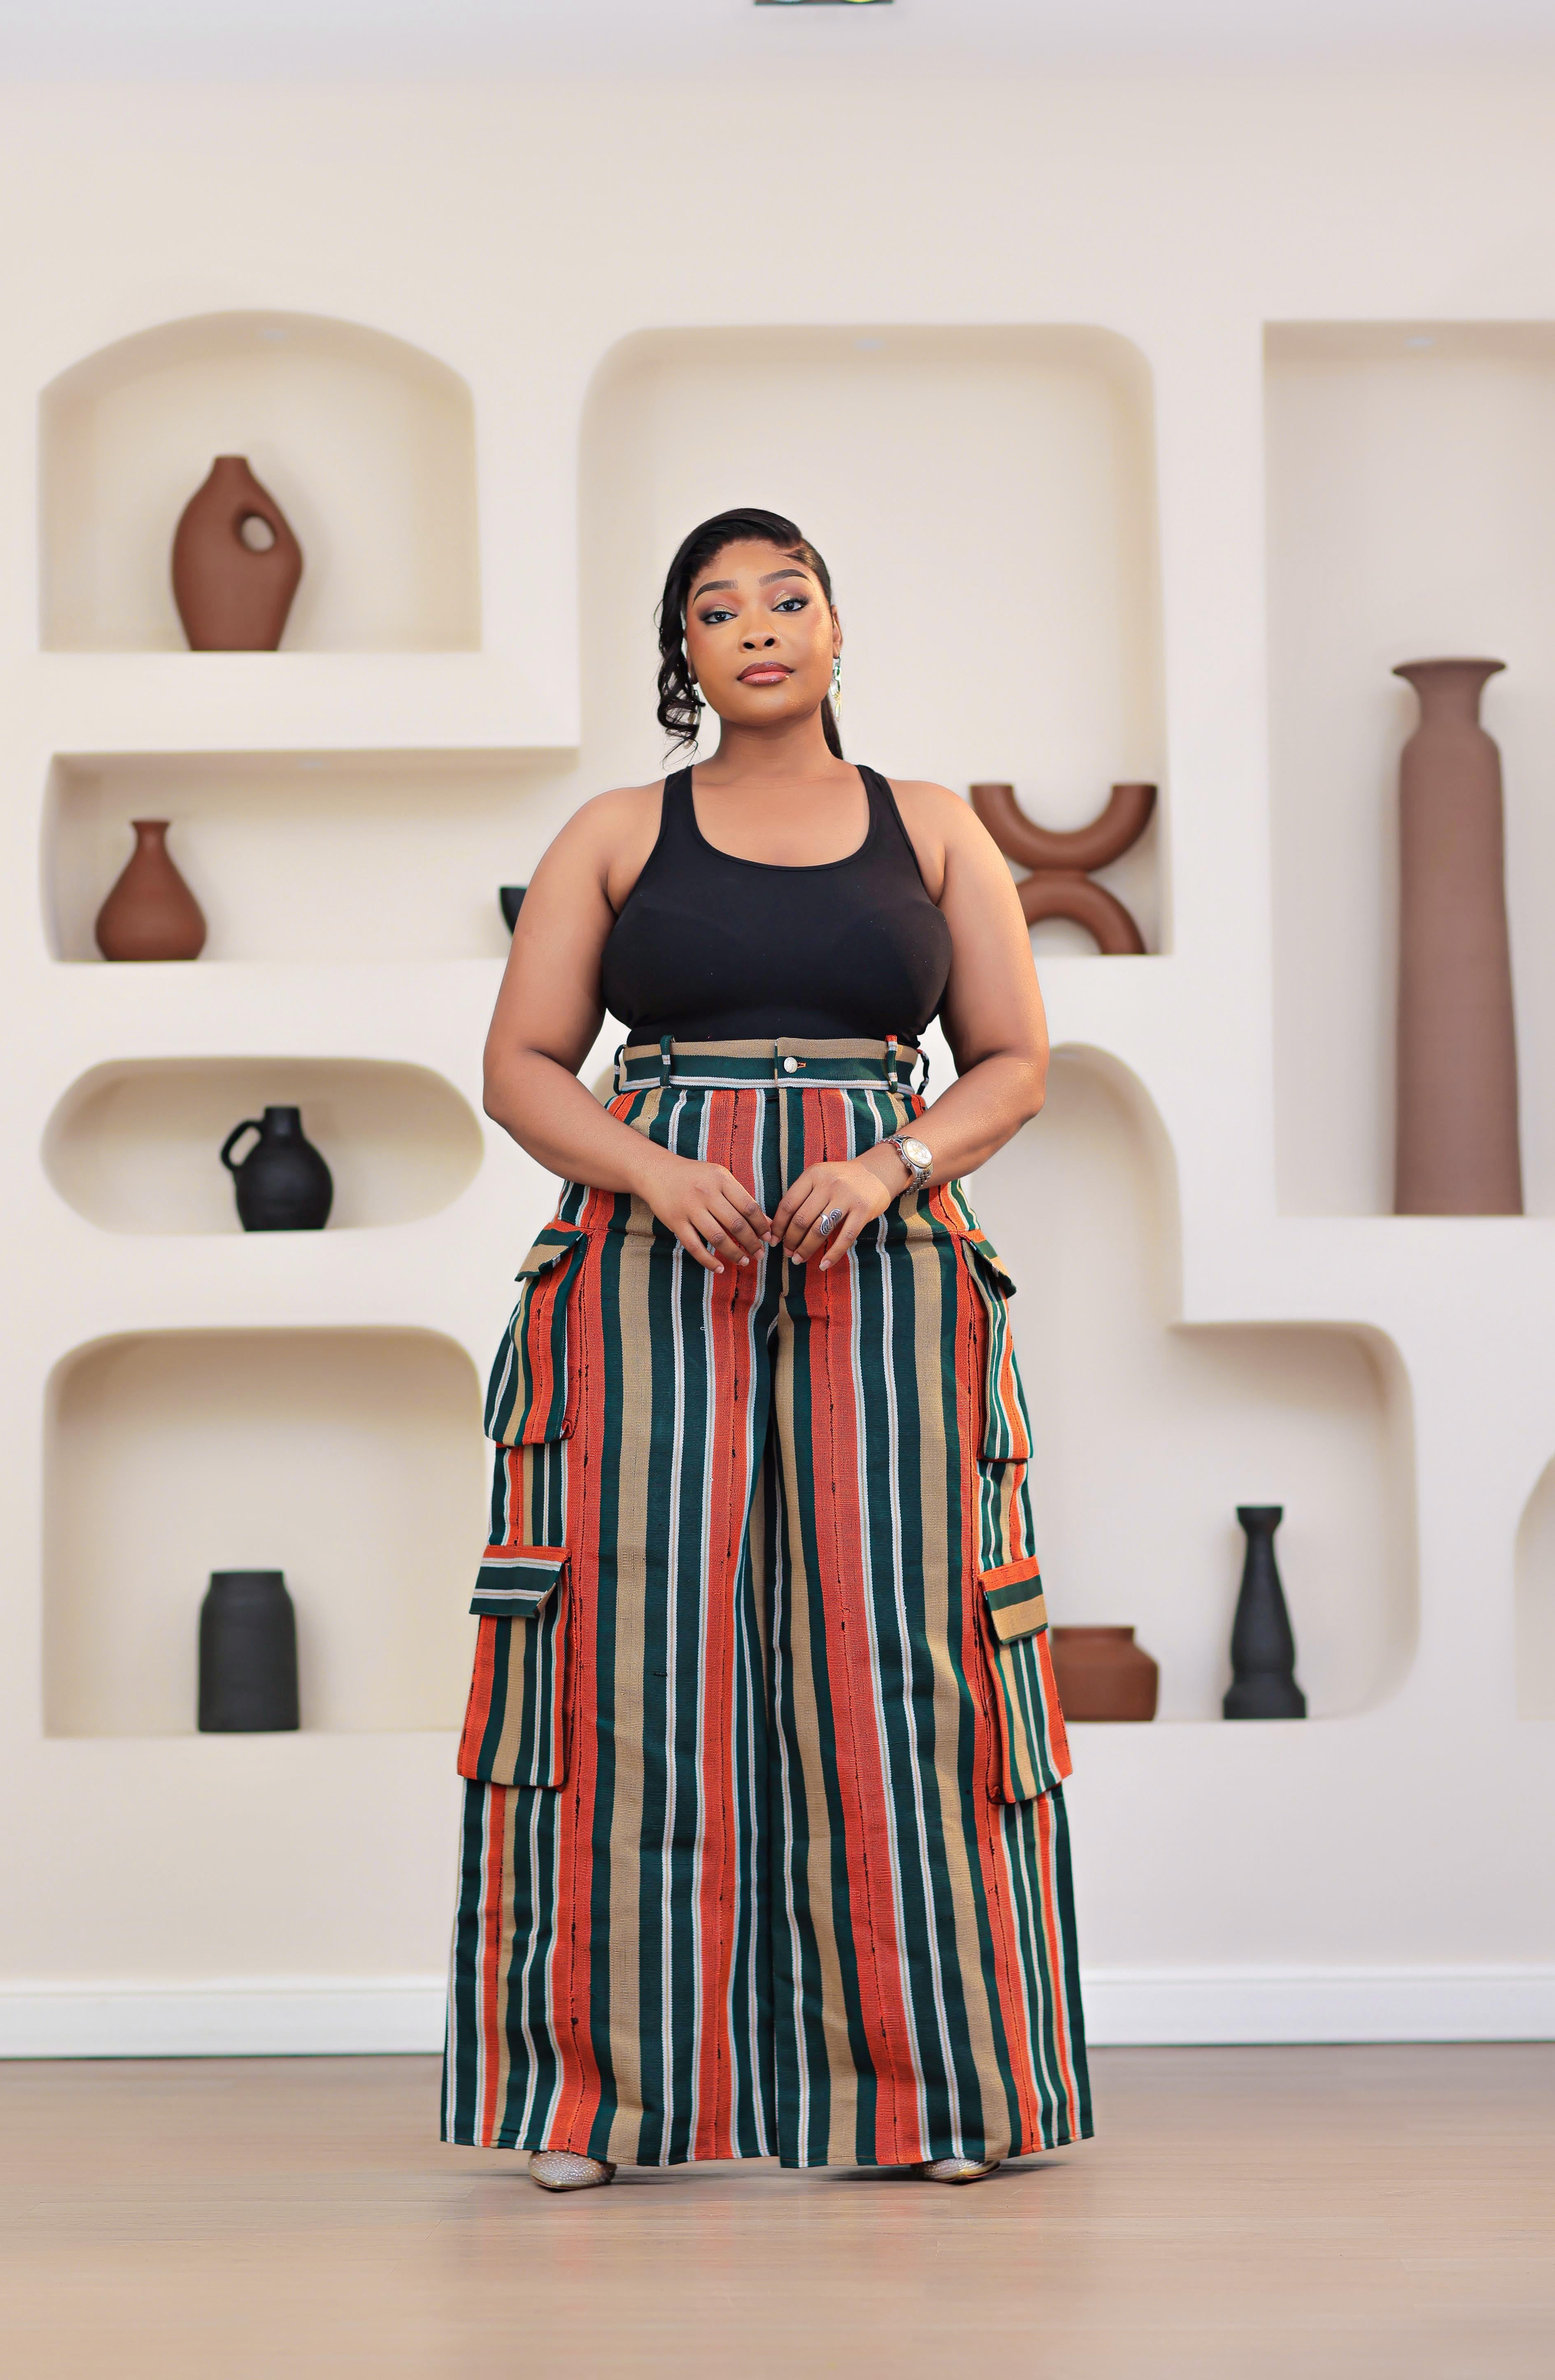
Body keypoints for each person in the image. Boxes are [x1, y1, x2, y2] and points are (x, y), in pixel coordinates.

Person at [443, 506, 1091, 2190]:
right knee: (635, 1663)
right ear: (682, 656)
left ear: (833, 629)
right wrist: (656, 1170)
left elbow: (1013, 1061)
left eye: (784, 598)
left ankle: (937, 2094)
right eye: (714, 610)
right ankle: (606, 2104)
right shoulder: (612, 830)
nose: (754, 628)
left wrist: (888, 1165)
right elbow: (520, 1064)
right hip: (649, 1272)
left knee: (902, 1661)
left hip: (884, 1267)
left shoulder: (934, 827)